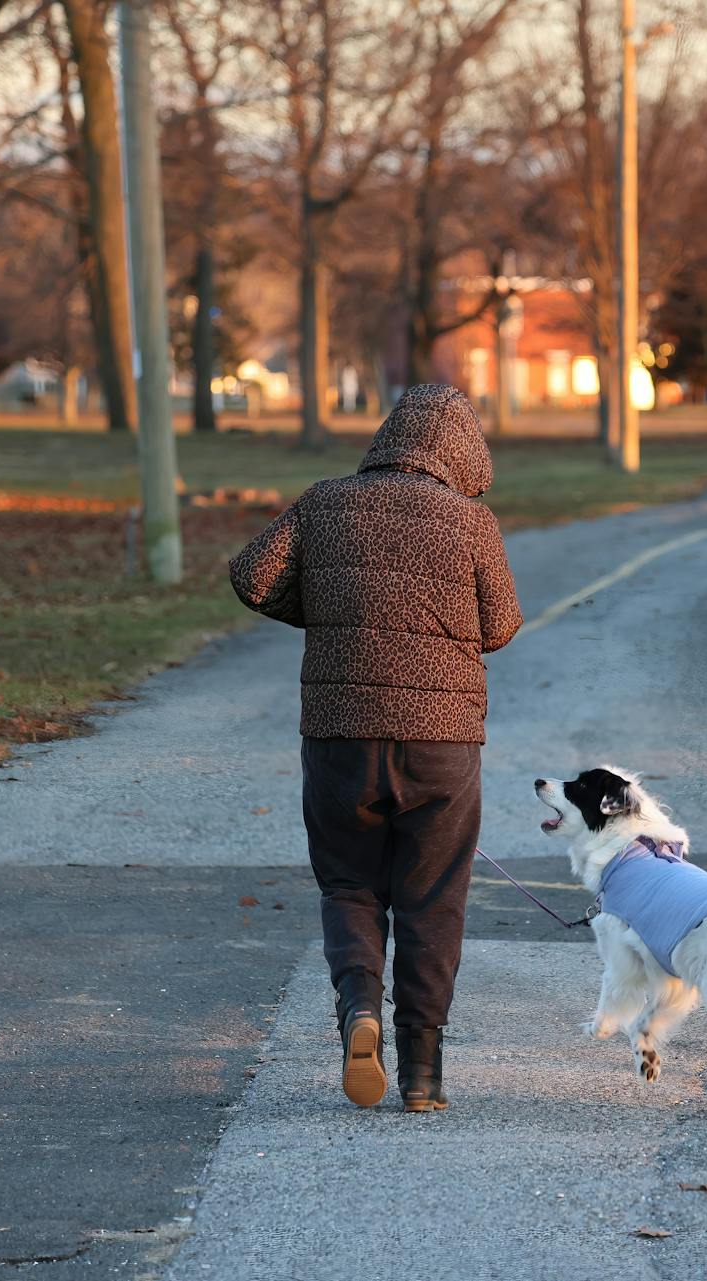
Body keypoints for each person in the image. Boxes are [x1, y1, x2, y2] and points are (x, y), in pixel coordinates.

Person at [228, 384, 522, 1112]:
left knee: (350, 884)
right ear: (463, 453)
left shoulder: (324, 501)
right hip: (441, 746)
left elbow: (251, 576)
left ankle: (359, 1008)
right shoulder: (472, 521)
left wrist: (327, 610)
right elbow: (501, 625)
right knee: (433, 897)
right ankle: (423, 1073)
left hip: (340, 736)